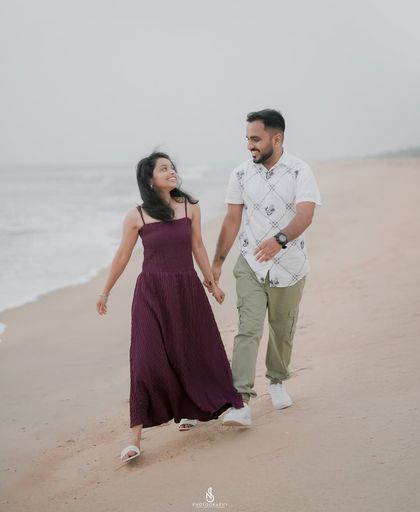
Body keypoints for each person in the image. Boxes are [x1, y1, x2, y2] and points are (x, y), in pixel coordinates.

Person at [96, 151, 243, 462]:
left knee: (196, 351)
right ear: (150, 179)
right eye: (164, 168)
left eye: (173, 167)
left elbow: (198, 246)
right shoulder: (136, 215)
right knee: (145, 359)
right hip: (151, 292)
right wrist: (105, 291)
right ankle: (135, 439)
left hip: (186, 289)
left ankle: (221, 406)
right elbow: (122, 256)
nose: (172, 171)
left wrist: (212, 283)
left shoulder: (190, 207)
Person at [209, 109, 321, 426]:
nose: (250, 146)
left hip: (290, 265)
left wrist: (280, 240)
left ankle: (276, 380)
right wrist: (217, 262)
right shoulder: (241, 174)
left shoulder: (300, 171)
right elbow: (232, 220)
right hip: (251, 263)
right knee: (249, 328)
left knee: (282, 329)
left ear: (277, 137)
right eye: (247, 139)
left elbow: (305, 215)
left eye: (255, 139)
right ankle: (240, 400)